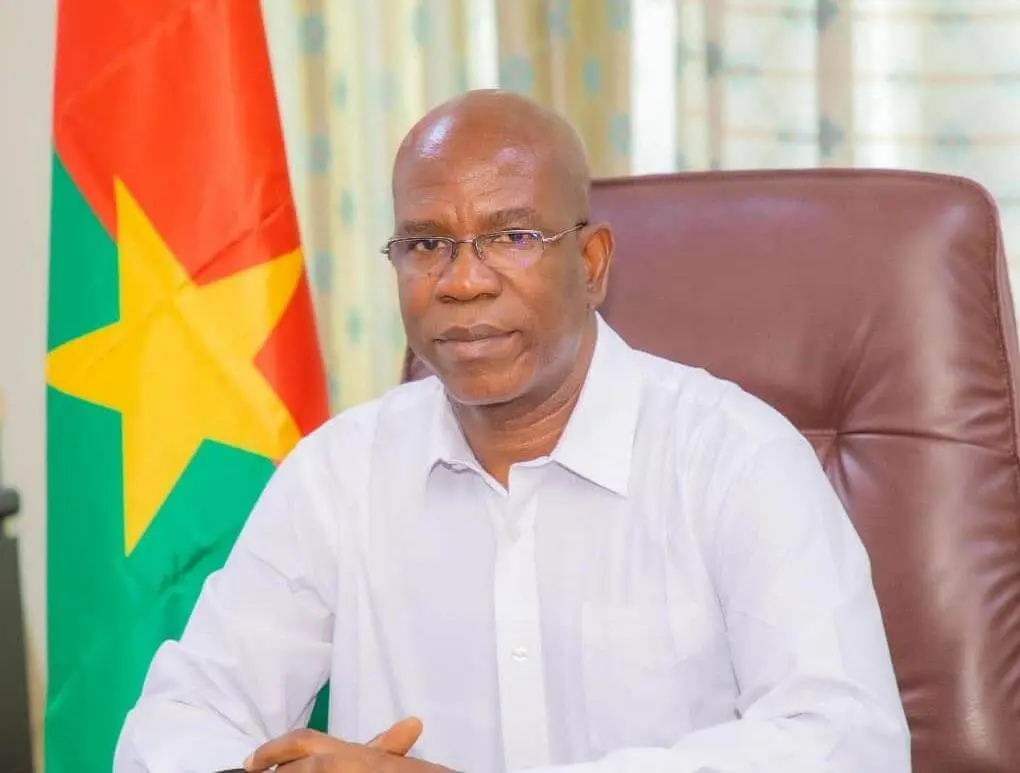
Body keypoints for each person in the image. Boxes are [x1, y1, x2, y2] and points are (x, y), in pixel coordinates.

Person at [114, 89, 911, 773]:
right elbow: (174, 726)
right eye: (426, 243)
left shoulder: (735, 459)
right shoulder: (339, 474)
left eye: (512, 236)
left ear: (592, 264)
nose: (462, 281)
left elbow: (848, 743)